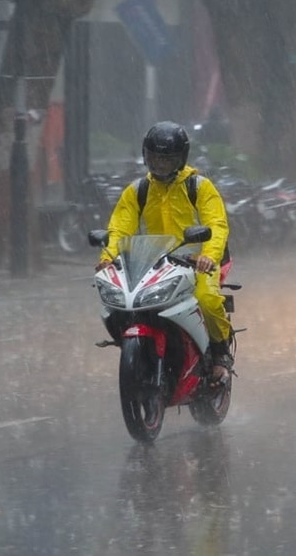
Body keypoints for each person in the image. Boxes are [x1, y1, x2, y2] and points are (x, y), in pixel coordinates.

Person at [96, 121, 235, 382]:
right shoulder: (138, 190)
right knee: (126, 302)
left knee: (206, 299)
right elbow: (119, 228)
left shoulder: (199, 187)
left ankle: (220, 352)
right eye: (155, 158)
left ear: (181, 159)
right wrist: (108, 257)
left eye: (167, 160)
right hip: (156, 263)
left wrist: (208, 255)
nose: (159, 165)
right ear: (145, 156)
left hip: (199, 262)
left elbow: (217, 225)